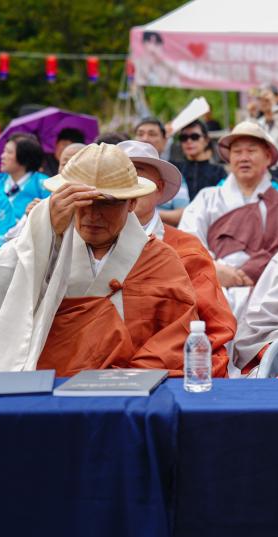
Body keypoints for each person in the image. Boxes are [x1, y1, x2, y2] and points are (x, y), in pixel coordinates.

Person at [0, 143, 201, 376]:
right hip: (53, 384)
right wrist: (47, 231)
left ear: (131, 203)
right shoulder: (47, 247)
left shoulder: (159, 260)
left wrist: (135, 374)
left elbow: (177, 334)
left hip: (134, 387)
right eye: (81, 200)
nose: (92, 214)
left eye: (107, 202)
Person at [118, 140, 236, 378]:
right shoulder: (87, 244)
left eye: (139, 174)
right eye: (121, 176)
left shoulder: (187, 249)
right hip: (97, 373)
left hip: (170, 370)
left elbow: (214, 326)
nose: (130, 186)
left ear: (160, 189)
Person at [178, 121, 278, 314]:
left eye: (251, 151)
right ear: (229, 158)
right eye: (237, 152)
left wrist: (246, 273)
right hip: (209, 289)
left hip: (267, 295)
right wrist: (213, 270)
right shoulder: (207, 198)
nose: (244, 158)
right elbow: (187, 242)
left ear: (268, 156)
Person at [0, 133, 49, 246]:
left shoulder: (44, 185)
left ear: (24, 156)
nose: (2, 156)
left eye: (9, 152)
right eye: (4, 151)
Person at [174, 120, 226, 204]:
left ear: (206, 140)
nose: (189, 141)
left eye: (195, 137)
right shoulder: (174, 169)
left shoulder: (219, 171)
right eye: (183, 138)